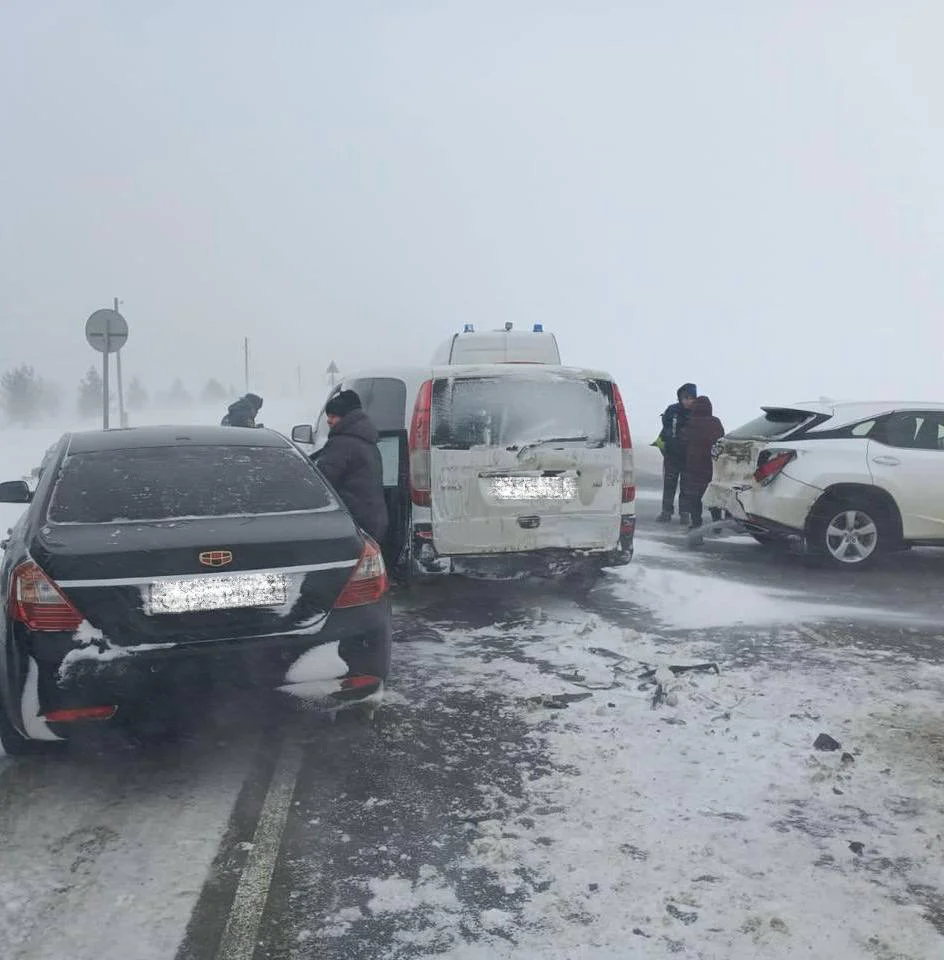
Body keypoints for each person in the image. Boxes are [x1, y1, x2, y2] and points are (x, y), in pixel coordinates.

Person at [314, 390, 388, 544]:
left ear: (345, 418)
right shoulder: (368, 442)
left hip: (353, 524)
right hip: (374, 521)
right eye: (328, 416)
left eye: (333, 416)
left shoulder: (341, 444)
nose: (328, 421)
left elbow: (321, 483)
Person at [680, 395, 725, 530]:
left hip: (694, 466)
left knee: (695, 497)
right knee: (712, 494)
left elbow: (683, 441)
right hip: (711, 465)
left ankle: (696, 523)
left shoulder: (690, 423)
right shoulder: (715, 422)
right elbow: (721, 440)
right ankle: (717, 523)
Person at [657, 383, 697, 523]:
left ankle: (684, 513)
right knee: (669, 484)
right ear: (680, 398)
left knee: (686, 486)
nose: (688, 401)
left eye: (691, 398)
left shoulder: (697, 413)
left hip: (689, 458)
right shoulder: (672, 411)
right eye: (685, 398)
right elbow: (665, 428)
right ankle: (666, 512)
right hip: (672, 456)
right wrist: (664, 447)